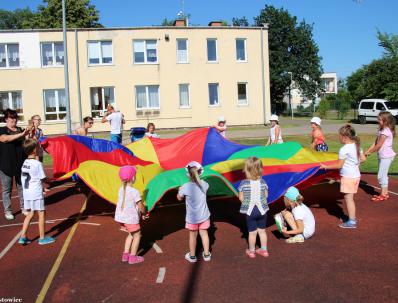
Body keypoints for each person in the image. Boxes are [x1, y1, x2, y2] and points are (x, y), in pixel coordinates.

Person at [321, 124, 366, 229]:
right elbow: (363, 159)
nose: (338, 137)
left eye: (339, 136)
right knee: (350, 198)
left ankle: (352, 221)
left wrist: (325, 166)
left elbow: (339, 165)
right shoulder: (356, 145)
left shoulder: (344, 149)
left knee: (349, 199)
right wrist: (355, 164)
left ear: (344, 137)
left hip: (348, 177)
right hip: (355, 176)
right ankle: (352, 218)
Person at [18, 139, 55, 245]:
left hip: (27, 192)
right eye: (38, 147)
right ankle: (42, 238)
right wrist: (52, 179)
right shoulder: (37, 163)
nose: (39, 149)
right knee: (41, 213)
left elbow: (32, 178)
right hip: (35, 193)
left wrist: (42, 188)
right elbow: (43, 178)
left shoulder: (25, 163)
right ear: (34, 150)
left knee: (30, 213)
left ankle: (23, 236)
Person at [177, 161, 212, 263]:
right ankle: (206, 254)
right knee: (204, 234)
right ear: (200, 172)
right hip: (204, 216)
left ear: (188, 174)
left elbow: (179, 198)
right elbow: (205, 189)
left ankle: (192, 256)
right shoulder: (205, 184)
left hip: (192, 218)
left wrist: (179, 190)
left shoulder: (185, 187)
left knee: (193, 236)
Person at [0, 109, 31, 220]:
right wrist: (21, 134)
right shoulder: (2, 130)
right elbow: (5, 139)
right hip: (6, 165)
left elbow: (27, 144)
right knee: (7, 189)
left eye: (15, 117)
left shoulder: (20, 130)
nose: (14, 120)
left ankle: (24, 207)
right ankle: (8, 211)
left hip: (20, 164)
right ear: (6, 119)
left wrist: (28, 135)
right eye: (11, 118)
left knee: (22, 187)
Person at [114, 165, 147, 264]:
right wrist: (144, 212)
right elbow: (141, 206)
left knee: (130, 234)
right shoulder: (135, 192)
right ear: (133, 178)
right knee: (137, 235)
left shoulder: (121, 189)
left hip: (123, 219)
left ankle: (125, 255)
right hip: (131, 219)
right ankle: (133, 257)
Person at [238, 156, 269, 258]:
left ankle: (252, 251)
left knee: (252, 233)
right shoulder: (263, 182)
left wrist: (245, 199)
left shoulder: (243, 183)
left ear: (246, 170)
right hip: (262, 211)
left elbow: (241, 198)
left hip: (250, 212)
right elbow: (266, 195)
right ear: (261, 169)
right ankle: (264, 250)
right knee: (262, 231)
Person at [365, 112, 396, 201]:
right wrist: (368, 151)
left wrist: (369, 153)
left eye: (379, 119)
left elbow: (379, 145)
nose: (377, 120)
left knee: (381, 175)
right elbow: (375, 143)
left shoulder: (386, 131)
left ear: (385, 121)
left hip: (386, 156)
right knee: (383, 175)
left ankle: (383, 194)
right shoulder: (381, 130)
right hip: (382, 155)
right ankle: (384, 194)